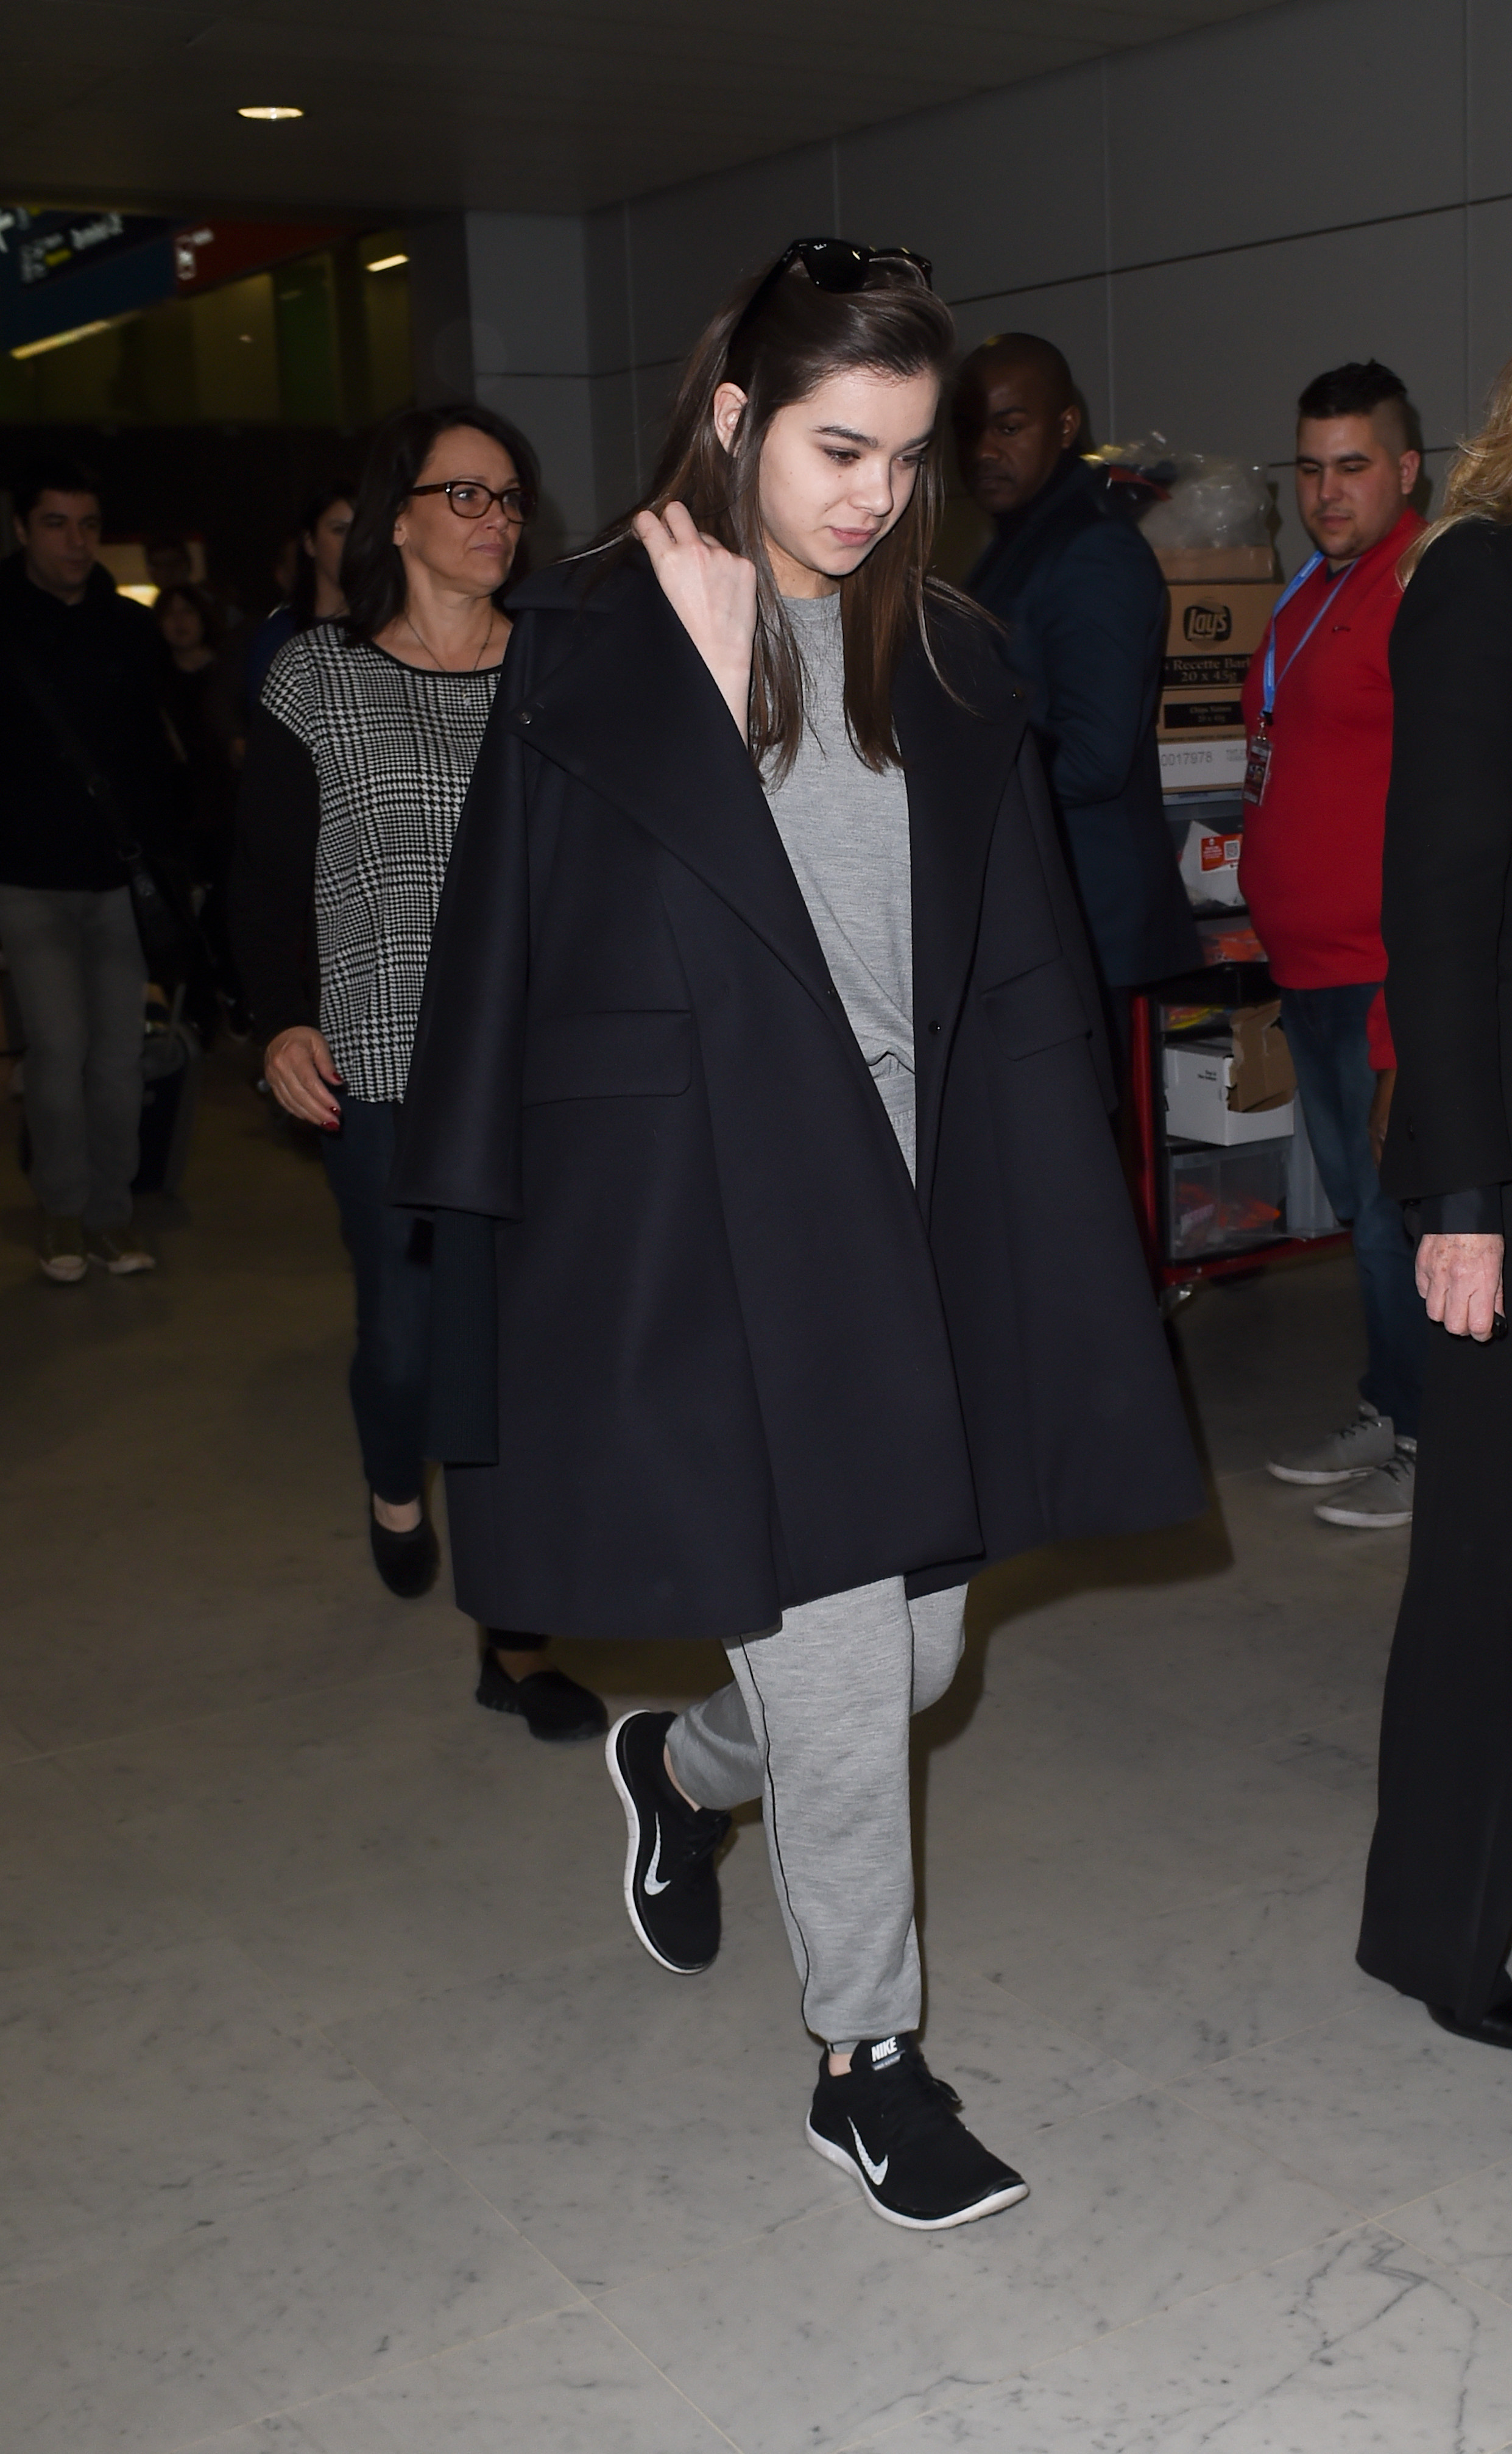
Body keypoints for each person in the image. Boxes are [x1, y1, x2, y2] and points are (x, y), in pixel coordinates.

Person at [392, 240, 1203, 2227]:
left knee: (914, 1653)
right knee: (846, 1657)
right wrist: (701, 682)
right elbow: (526, 958)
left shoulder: (946, 653)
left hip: (920, 1217)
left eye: (908, 458)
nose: (874, 495)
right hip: (734, 1227)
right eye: (840, 448)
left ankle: (682, 1771)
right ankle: (869, 2063)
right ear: (737, 414)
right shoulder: (598, 638)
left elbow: (1011, 966)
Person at [231, 405, 606, 1748]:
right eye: (465, 495)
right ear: (397, 516)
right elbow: (265, 878)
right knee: (403, 1340)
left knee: (523, 1359)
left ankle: (515, 1639)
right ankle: (396, 1482)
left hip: (539, 1069)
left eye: (509, 496)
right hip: (382, 1065)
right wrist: (280, 1022)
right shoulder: (315, 678)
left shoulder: (559, 666)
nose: (496, 518)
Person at [1356, 356, 1512, 2048]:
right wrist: (1464, 1194)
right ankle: (1449, 1938)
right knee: (1487, 1560)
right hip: (1504, 1169)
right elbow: (1442, 897)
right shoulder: (1476, 572)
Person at [1242, 361, 1428, 1530]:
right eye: (1309, 469)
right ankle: (1390, 1399)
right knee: (1362, 1215)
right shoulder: (1313, 588)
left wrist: (1409, 1009)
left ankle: (1432, 1439)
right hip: (1307, 970)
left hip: (1380, 976)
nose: (1326, 491)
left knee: (1399, 1220)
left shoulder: (1418, 591)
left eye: (1351, 466)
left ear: (1405, 470)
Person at [953, 332, 1199, 1027]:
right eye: (968, 429)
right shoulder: (1021, 541)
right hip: (1046, 916)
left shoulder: (1092, 550)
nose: (983, 450)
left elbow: (1094, 756)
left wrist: (958, 776)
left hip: (1086, 923)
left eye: (1009, 427)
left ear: (1064, 426)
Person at [0, 456, 175, 1281]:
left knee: (117, 1057)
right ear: (21, 529)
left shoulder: (129, 627)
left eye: (88, 525)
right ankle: (63, 1211)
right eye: (55, 524)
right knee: (59, 1048)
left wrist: (167, 862)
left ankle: (111, 1214)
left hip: (116, 877)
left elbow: (155, 756)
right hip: (25, 877)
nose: (75, 541)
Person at [155, 583, 246, 1034]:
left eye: (187, 611)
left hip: (232, 812)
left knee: (232, 912)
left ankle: (240, 1003)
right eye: (170, 613)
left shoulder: (229, 673)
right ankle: (202, 1013)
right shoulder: (156, 683)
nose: (180, 622)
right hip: (180, 818)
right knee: (188, 918)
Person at [239, 480, 356, 727]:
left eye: (363, 530)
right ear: (310, 542)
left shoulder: (394, 628)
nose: (353, 543)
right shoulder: (279, 635)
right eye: (340, 530)